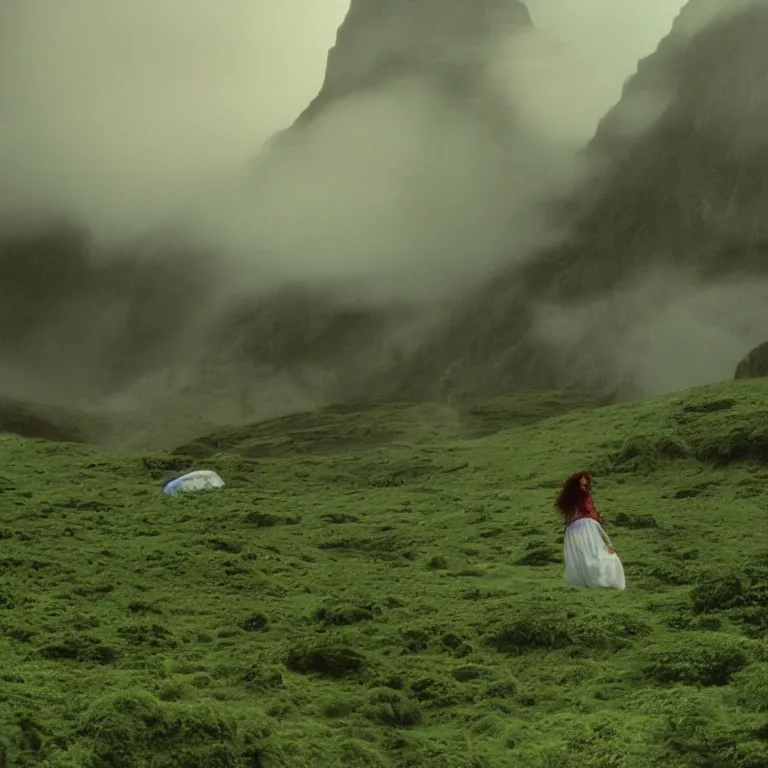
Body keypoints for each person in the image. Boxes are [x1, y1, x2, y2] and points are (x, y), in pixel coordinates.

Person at [556, 471, 625, 589]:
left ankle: (585, 581)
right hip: (586, 527)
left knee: (582, 556)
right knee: (596, 553)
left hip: (572, 531)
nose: (585, 482)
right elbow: (588, 511)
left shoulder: (570, 499)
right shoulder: (583, 496)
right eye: (583, 480)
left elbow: (569, 518)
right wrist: (598, 519)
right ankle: (602, 578)